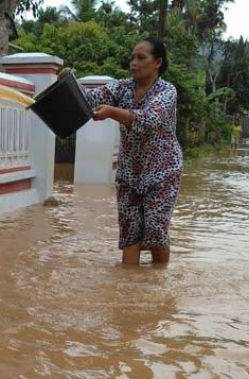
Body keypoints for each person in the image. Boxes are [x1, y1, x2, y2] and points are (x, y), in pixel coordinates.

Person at [59, 38, 182, 265]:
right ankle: (127, 291)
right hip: (129, 173)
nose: (133, 62)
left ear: (157, 62)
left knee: (156, 231)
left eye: (141, 58)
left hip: (163, 172)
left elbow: (149, 120)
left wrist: (112, 112)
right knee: (130, 233)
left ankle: (160, 286)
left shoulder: (167, 91)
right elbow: (90, 99)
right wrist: (69, 83)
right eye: (132, 57)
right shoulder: (122, 87)